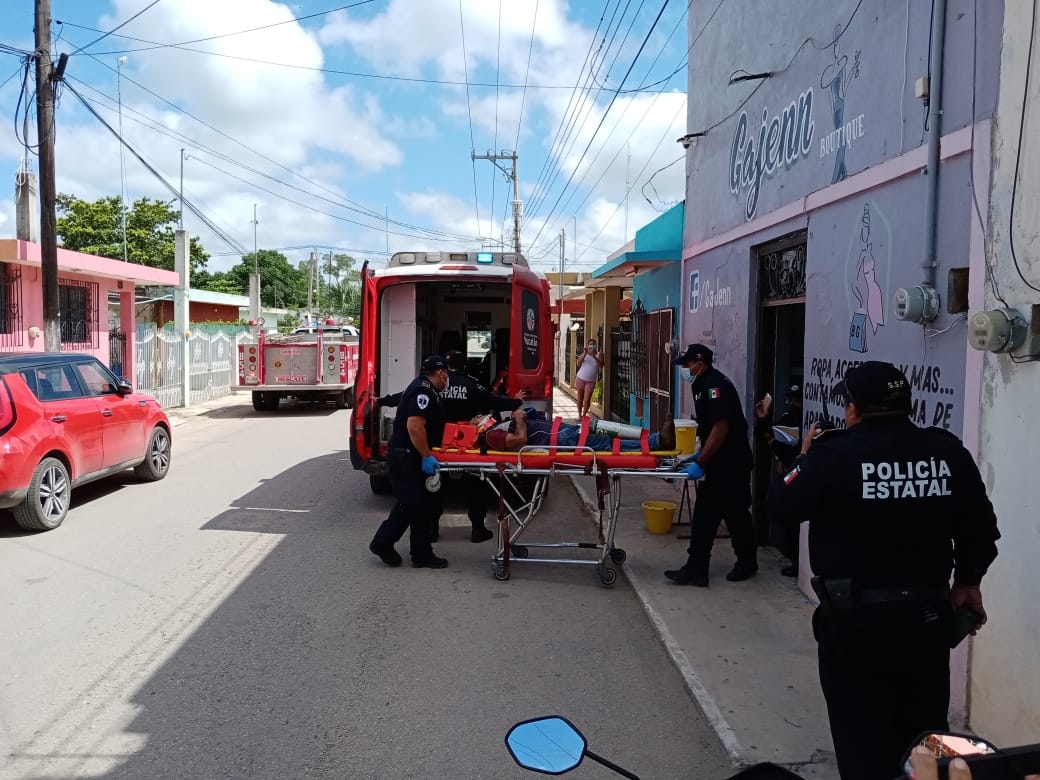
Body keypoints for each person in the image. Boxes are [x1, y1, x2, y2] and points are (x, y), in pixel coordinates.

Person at [766, 361, 1000, 780]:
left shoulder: (831, 455)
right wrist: (968, 581)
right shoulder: (946, 451)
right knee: (923, 738)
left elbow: (781, 508)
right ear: (906, 405)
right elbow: (982, 529)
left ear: (852, 409)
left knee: (861, 739)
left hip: (856, 625)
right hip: (926, 623)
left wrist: (800, 458)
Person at [664, 344, 758, 587]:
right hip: (719, 460)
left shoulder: (714, 385)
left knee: (731, 514)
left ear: (700, 363)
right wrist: (700, 454)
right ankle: (699, 568)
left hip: (731, 463)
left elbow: (721, 428)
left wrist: (702, 460)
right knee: (712, 515)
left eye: (686, 364)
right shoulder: (701, 383)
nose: (684, 369)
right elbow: (711, 430)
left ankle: (743, 563)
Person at [369, 355, 451, 570]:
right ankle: (382, 543)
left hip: (410, 455)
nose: (447, 378)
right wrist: (425, 455)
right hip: (406, 456)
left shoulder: (423, 388)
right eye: (446, 374)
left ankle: (422, 554)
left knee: (421, 506)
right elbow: (414, 426)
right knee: (409, 504)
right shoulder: (422, 391)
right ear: (441, 373)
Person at [440, 349, 527, 542]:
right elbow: (494, 401)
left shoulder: (438, 385)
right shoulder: (472, 384)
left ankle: (431, 531)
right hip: (468, 442)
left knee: (437, 485)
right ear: (464, 365)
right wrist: (517, 401)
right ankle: (477, 530)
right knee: (475, 484)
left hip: (442, 443)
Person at [754, 384, 803, 577]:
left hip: (799, 473)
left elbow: (770, 438)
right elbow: (764, 434)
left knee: (796, 519)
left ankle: (798, 563)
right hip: (790, 471)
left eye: (796, 400)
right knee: (789, 518)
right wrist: (763, 418)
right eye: (790, 400)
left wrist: (773, 443)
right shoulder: (786, 419)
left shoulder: (798, 419)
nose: (791, 404)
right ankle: (793, 559)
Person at [480, 407, 675, 452]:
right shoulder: (491, 435)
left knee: (605, 434)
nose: (477, 416)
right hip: (561, 440)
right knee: (606, 444)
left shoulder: (498, 425)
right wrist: (519, 419)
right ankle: (658, 442)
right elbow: (520, 440)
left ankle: (655, 439)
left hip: (562, 431)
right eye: (474, 419)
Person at [574, 338, 604, 419]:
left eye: (594, 344)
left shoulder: (599, 354)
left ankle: (584, 416)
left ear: (596, 346)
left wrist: (594, 357)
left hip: (590, 381)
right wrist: (584, 353)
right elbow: (578, 363)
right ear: (588, 346)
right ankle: (579, 415)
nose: (592, 345)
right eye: (591, 344)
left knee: (587, 400)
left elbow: (601, 365)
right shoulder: (585, 353)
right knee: (580, 398)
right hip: (580, 378)